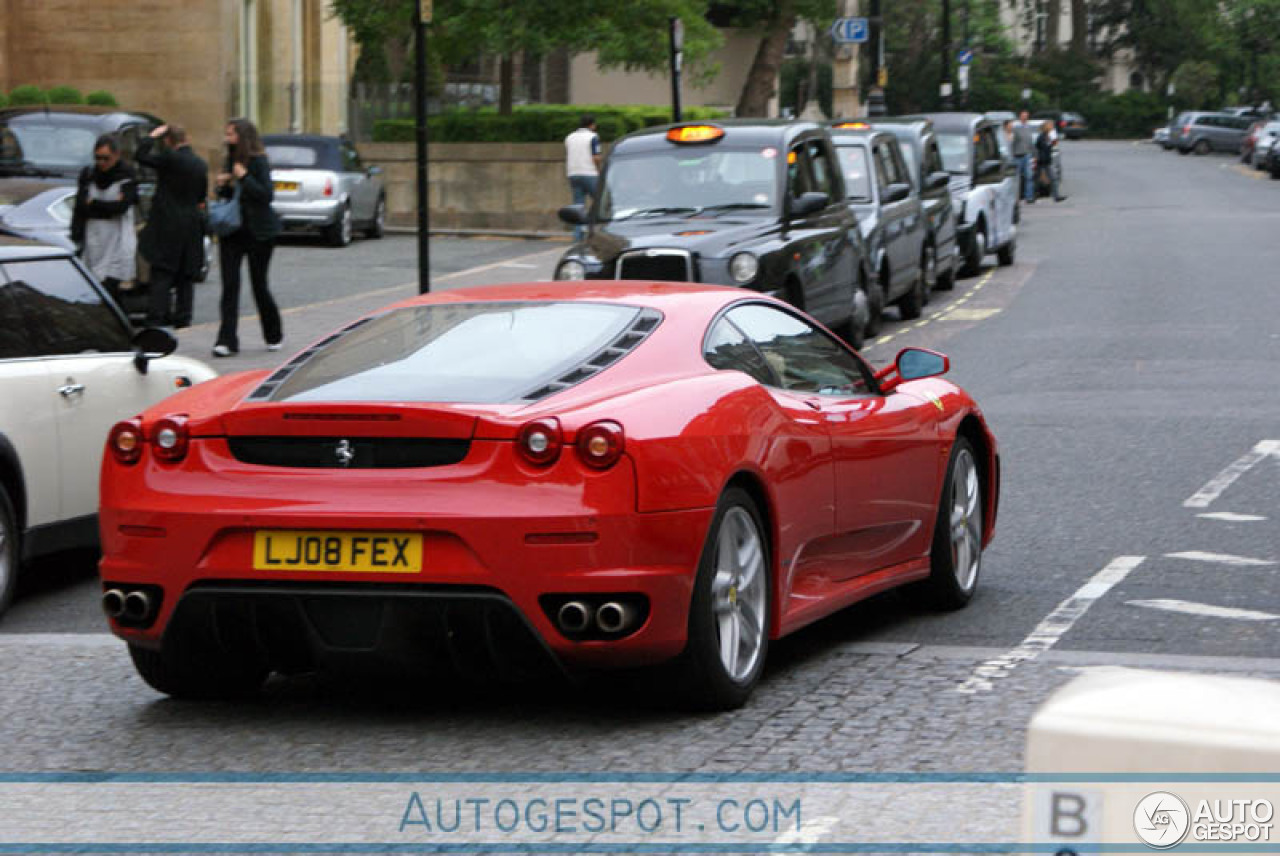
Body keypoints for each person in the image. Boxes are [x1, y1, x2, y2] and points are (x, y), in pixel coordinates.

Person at [213, 117, 283, 357]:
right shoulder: (229, 160)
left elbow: (266, 195)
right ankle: (226, 341)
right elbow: (229, 197)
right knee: (230, 287)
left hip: (259, 233)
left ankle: (273, 334)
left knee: (259, 285)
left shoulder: (259, 161)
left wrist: (243, 177)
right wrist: (222, 184)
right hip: (232, 231)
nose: (226, 139)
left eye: (231, 134)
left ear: (242, 136)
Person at [136, 124, 207, 328]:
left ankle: (157, 317)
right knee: (186, 275)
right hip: (190, 225)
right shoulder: (200, 164)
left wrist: (151, 136)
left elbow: (141, 156)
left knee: (162, 273)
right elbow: (200, 197)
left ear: (168, 141)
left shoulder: (169, 158)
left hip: (167, 222)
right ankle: (184, 317)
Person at [71, 134, 138, 304]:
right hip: (94, 237)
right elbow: (81, 206)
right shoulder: (89, 175)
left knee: (112, 286)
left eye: (106, 158)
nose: (101, 163)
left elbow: (122, 207)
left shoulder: (126, 176)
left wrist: (94, 203)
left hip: (118, 237)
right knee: (95, 286)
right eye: (97, 158)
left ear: (116, 155)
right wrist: (107, 206)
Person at [564, 115, 602, 242]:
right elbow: (595, 157)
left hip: (573, 173)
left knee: (578, 207)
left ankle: (578, 237)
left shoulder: (569, 137)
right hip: (589, 173)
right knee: (601, 203)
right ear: (592, 125)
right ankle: (600, 233)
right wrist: (599, 169)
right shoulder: (593, 137)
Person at [1035, 120, 1067, 202]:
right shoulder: (1042, 136)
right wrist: (1050, 144)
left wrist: (1051, 144)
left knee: (1053, 178)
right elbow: (1042, 147)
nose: (1052, 127)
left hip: (1046, 160)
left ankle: (1056, 196)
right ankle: (1033, 195)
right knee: (1037, 179)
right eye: (1051, 126)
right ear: (1046, 127)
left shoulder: (1047, 136)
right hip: (1042, 160)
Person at [1013, 111, 1036, 204]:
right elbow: (1012, 142)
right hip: (1017, 155)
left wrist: (1034, 155)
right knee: (1016, 177)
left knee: (1029, 176)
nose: (1025, 118)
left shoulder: (1029, 127)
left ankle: (1029, 197)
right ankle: (1016, 197)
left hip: (1027, 154)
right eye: (1023, 116)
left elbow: (1031, 142)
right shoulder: (1016, 128)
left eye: (1026, 116)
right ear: (1020, 117)